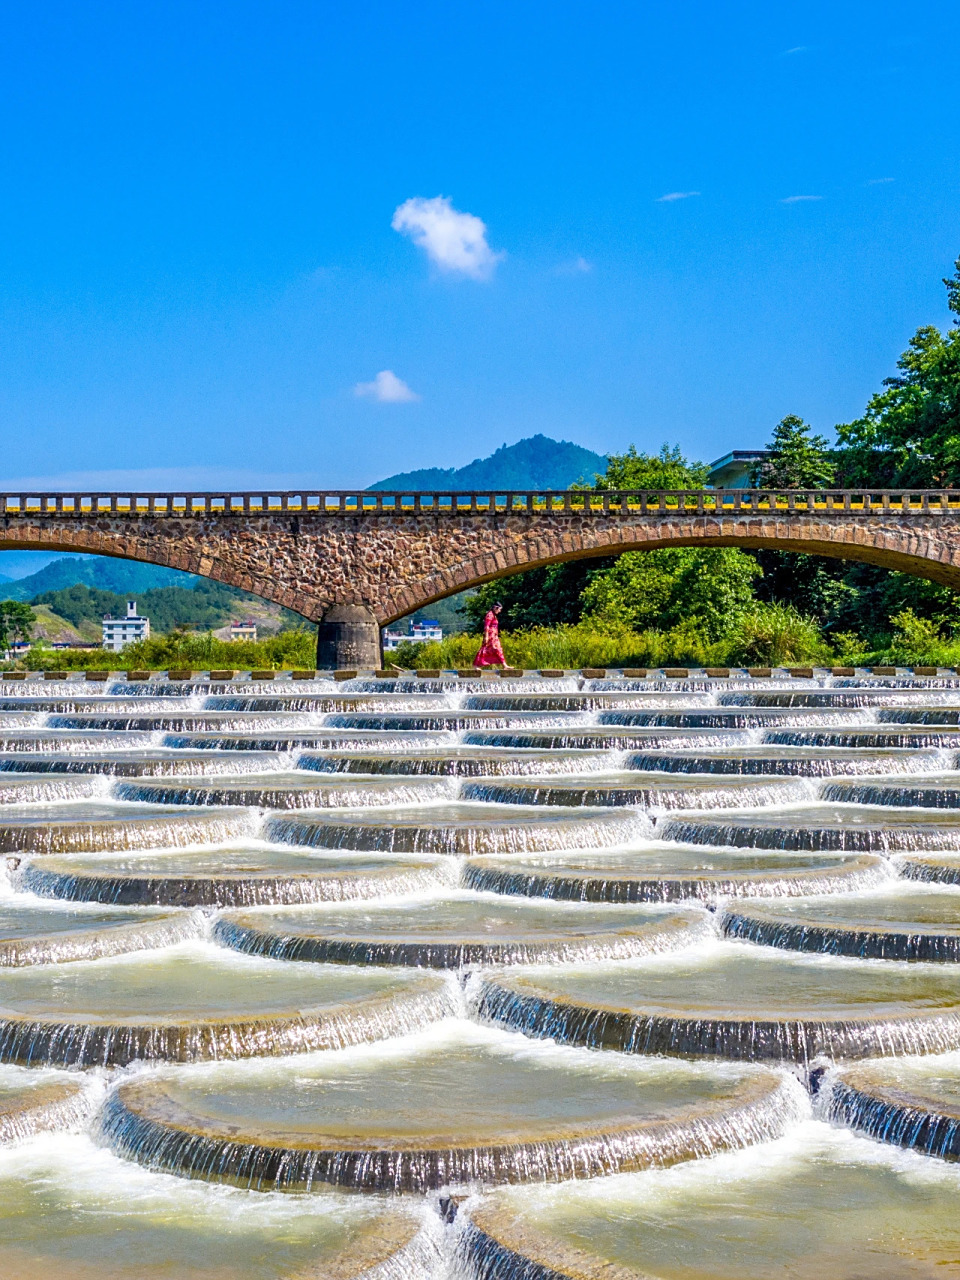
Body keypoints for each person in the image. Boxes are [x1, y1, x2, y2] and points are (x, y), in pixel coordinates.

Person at [473, 602, 506, 668]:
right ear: (495, 608)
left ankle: (504, 665)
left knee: (497, 649)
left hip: (494, 636)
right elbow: (486, 626)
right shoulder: (489, 615)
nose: (500, 611)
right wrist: (486, 636)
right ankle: (476, 665)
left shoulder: (494, 615)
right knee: (485, 649)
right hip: (490, 636)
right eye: (499, 609)